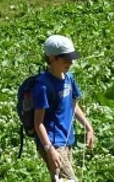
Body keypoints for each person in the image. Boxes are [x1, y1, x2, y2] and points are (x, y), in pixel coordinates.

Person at [32, 35, 95, 182]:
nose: (70, 63)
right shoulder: (43, 85)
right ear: (52, 58)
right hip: (53, 143)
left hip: (67, 140)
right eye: (66, 59)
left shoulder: (69, 78)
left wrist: (88, 127)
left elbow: (73, 105)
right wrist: (50, 150)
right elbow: (38, 123)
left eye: (71, 59)